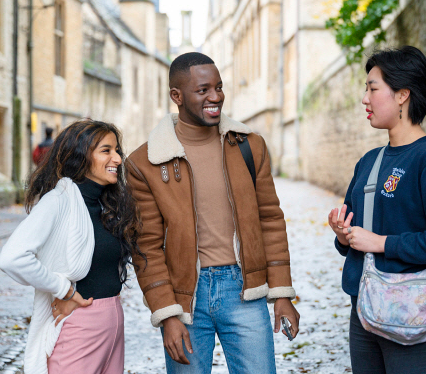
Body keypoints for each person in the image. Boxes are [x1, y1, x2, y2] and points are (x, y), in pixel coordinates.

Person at [125, 52, 300, 374]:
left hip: (244, 290)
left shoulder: (249, 145)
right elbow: (146, 245)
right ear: (176, 96)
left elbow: (270, 220)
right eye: (203, 90)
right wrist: (167, 313)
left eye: (218, 87)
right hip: (186, 298)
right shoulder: (144, 163)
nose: (215, 97)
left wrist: (282, 294)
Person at [328, 46, 426, 374]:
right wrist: (344, 234)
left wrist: (381, 243)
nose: (365, 98)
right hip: (363, 311)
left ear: (403, 94)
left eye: (373, 88)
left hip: (415, 313)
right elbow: (355, 239)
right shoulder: (369, 162)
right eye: (366, 89)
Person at [0, 120, 143, 374]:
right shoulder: (58, 201)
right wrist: (63, 290)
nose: (118, 159)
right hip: (80, 326)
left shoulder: (107, 205)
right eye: (106, 150)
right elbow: (13, 258)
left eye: (117, 150)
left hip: (113, 323)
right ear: (81, 156)